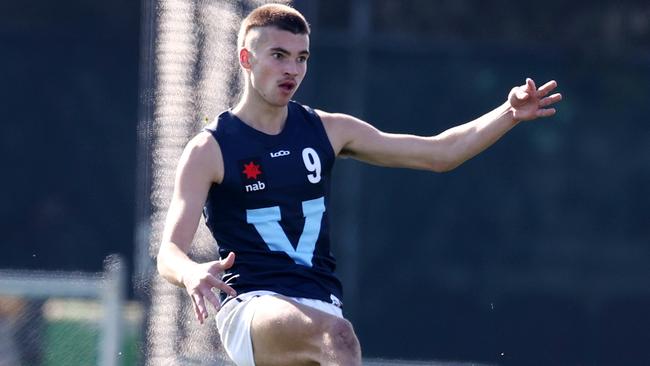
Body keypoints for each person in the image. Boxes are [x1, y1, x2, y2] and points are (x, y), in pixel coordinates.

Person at [156, 3, 562, 366]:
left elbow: (440, 153)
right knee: (340, 338)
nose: (292, 70)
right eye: (279, 56)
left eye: (301, 58)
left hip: (321, 307)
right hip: (253, 308)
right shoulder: (210, 148)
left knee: (333, 334)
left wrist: (508, 113)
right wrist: (191, 273)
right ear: (246, 58)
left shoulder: (329, 130)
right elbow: (169, 253)